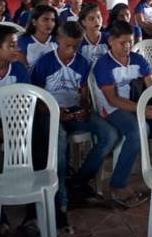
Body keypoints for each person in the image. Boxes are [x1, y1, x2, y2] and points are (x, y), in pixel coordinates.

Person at [0, 23, 62, 237]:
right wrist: (0, 133)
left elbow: (28, 101)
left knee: (40, 147)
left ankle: (34, 214)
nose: (16, 50)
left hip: (19, 121)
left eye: (16, 45)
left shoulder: (18, 69)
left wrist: (17, 130)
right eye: (11, 45)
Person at [31, 21, 119, 216]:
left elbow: (83, 95)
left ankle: (78, 180)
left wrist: (85, 109)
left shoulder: (82, 63)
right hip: (50, 113)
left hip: (75, 111)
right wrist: (53, 111)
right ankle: (61, 196)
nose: (71, 50)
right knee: (60, 142)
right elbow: (35, 98)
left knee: (110, 135)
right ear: (58, 40)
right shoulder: (44, 63)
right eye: (67, 45)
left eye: (76, 46)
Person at [93, 21, 152, 208]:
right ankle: (118, 184)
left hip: (136, 104)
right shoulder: (103, 64)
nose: (127, 46)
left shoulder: (138, 59)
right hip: (112, 109)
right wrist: (142, 109)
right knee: (137, 131)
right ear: (111, 41)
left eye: (130, 42)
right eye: (122, 42)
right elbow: (112, 100)